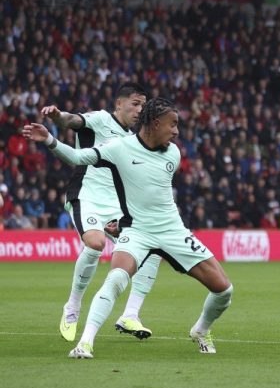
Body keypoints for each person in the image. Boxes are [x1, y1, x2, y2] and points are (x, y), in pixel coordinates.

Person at [24, 97, 233, 359]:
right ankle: (85, 343)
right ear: (156, 123)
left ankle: (201, 330)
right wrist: (49, 141)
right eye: (173, 124)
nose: (177, 131)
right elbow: (77, 156)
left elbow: (151, 194)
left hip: (173, 231)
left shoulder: (174, 154)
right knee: (116, 279)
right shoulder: (119, 148)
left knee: (224, 290)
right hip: (138, 231)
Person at [40, 83, 163, 342]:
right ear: (119, 104)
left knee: (152, 250)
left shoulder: (134, 139)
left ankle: (130, 314)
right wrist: (57, 116)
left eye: (143, 104)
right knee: (95, 243)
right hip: (87, 196)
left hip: (118, 205)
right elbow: (72, 120)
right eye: (135, 103)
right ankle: (73, 306)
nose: (140, 109)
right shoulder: (100, 119)